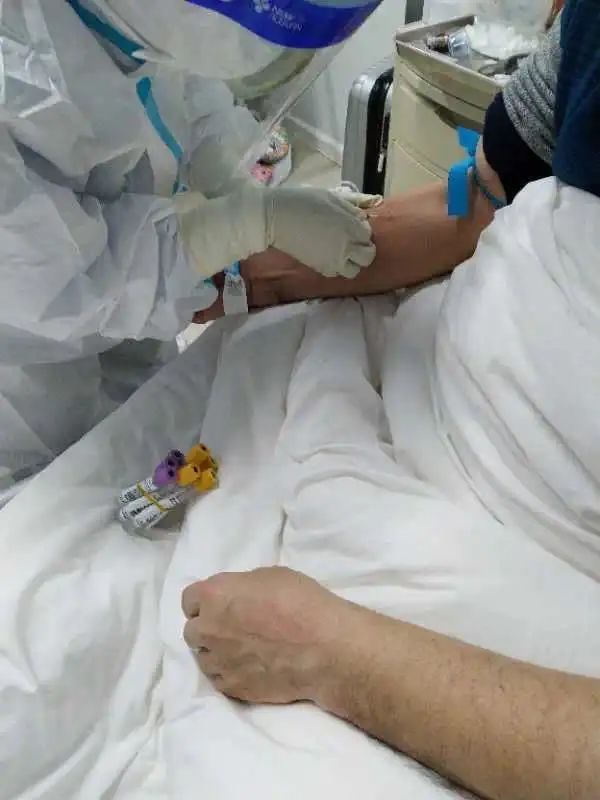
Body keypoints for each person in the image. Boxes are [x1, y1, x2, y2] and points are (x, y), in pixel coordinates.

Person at [182, 6, 600, 800]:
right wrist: (254, 266)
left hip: (527, 569)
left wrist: (332, 655)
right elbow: (480, 195)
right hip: (422, 379)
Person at [0, 0, 380, 501]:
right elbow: (55, 285)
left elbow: (186, 91)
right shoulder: (18, 62)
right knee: (52, 505)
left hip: (127, 346)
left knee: (150, 440)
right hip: (27, 383)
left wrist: (233, 183)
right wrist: (252, 222)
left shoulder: (132, 22)